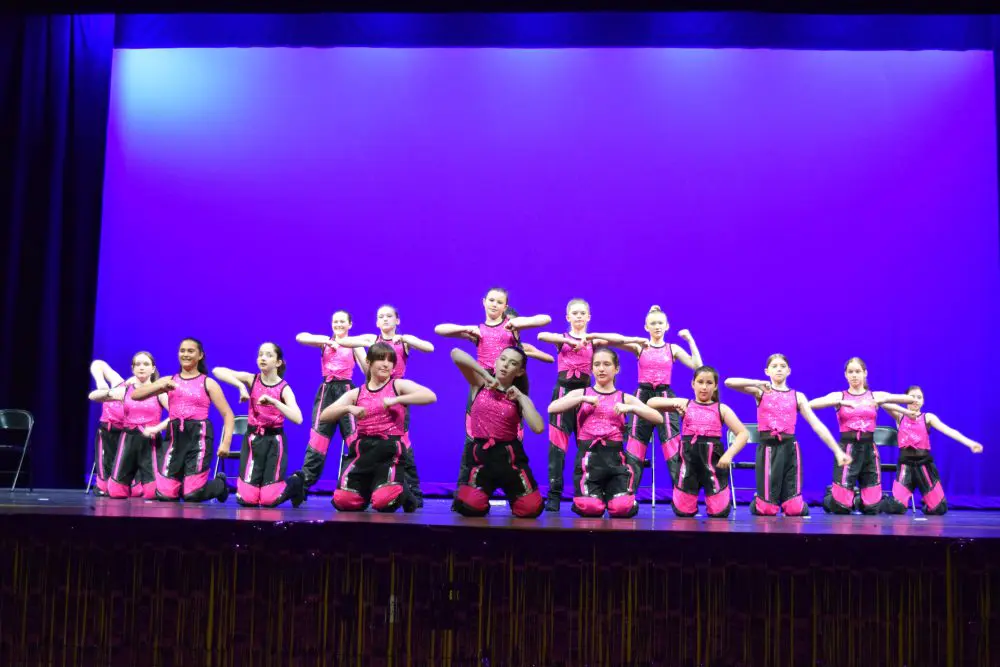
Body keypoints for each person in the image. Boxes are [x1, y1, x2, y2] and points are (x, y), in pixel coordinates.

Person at [536, 298, 641, 511]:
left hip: (588, 394)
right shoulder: (562, 339)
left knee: (587, 444)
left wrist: (594, 336)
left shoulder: (594, 341)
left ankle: (590, 490)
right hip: (565, 393)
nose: (579, 316)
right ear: (568, 317)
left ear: (589, 316)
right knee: (557, 447)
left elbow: (618, 340)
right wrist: (571, 342)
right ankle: (554, 495)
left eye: (583, 313)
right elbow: (541, 335)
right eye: (574, 313)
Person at [590, 305, 703, 497]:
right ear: (646, 327)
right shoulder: (640, 347)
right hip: (642, 396)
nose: (657, 326)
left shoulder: (672, 348)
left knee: (673, 446)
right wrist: (630, 339)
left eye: (660, 323)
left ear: (667, 326)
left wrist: (690, 340)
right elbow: (614, 340)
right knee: (635, 445)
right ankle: (627, 496)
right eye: (653, 323)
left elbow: (698, 367)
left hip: (665, 398)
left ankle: (682, 497)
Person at [724, 354, 852, 516]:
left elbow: (816, 425)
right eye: (774, 366)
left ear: (789, 371)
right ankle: (760, 499)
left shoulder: (797, 396)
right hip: (768, 450)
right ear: (767, 371)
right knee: (767, 510)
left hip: (790, 449)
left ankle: (793, 500)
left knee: (795, 510)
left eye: (782, 366)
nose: (779, 369)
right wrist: (757, 383)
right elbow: (728, 382)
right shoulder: (760, 392)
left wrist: (838, 451)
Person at [333, 305, 434, 507]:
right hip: (372, 395)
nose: (385, 319)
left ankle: (412, 492)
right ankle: (372, 485)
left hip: (395, 394)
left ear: (397, 320)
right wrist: (365, 341)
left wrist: (405, 339)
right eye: (381, 317)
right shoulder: (373, 340)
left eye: (389, 316)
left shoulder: (402, 342)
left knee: (402, 444)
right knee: (368, 441)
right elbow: (342, 340)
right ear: (377, 322)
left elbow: (429, 347)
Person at [547, 347, 664, 517]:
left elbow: (658, 418)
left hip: (615, 460)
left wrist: (631, 408)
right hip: (589, 460)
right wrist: (581, 399)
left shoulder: (625, 397)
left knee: (622, 509)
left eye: (607, 364)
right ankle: (595, 497)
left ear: (617, 369)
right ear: (591, 369)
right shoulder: (582, 393)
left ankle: (614, 497)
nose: (601, 368)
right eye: (597, 364)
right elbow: (552, 408)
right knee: (591, 508)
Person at [808, 357, 918, 514]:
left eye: (858, 371)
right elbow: (809, 405)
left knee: (872, 508)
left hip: (869, 450)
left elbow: (910, 399)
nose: (854, 375)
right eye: (850, 372)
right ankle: (832, 495)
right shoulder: (840, 396)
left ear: (865, 373)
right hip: (848, 449)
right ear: (845, 375)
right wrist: (840, 402)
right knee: (840, 508)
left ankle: (856, 497)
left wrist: (884, 399)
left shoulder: (875, 396)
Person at [131, 338, 233, 502]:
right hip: (175, 438)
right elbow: (135, 395)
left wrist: (226, 442)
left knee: (192, 495)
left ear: (200, 355)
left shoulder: (207, 383)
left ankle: (221, 484)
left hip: (198, 437)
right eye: (182, 351)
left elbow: (228, 414)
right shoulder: (169, 380)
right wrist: (160, 387)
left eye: (190, 351)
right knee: (165, 495)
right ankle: (183, 485)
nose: (185, 354)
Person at [450, 346, 545, 518]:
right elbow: (456, 353)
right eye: (503, 359)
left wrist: (522, 398)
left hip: (510, 458)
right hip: (482, 457)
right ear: (496, 361)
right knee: (469, 506)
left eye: (513, 363)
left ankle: (515, 496)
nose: (505, 365)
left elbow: (538, 428)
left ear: (519, 371)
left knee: (531, 508)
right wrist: (486, 375)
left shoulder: (520, 398)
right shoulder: (478, 384)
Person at [212, 342, 306, 507]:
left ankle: (296, 482)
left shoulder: (284, 388)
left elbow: (298, 418)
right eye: (261, 354)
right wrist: (240, 385)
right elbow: (217, 371)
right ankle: (257, 488)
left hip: (274, 441)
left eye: (269, 355)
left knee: (269, 500)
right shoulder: (252, 379)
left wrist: (274, 402)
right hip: (253, 441)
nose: (263, 358)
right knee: (246, 500)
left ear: (278, 362)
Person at [649, 366, 748, 518]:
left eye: (709, 383)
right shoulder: (686, 404)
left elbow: (742, 433)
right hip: (688, 464)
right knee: (683, 512)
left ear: (715, 386)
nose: (704, 387)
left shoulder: (722, 409)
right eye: (700, 382)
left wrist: (728, 455)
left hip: (713, 465)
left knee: (719, 513)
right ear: (692, 384)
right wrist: (676, 404)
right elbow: (651, 402)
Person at [880, 385, 983, 515]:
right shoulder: (900, 416)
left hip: (924, 465)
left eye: (919, 397)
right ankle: (881, 500)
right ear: (904, 399)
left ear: (923, 401)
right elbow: (882, 401)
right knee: (896, 507)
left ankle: (927, 500)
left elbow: (949, 430)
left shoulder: (927, 417)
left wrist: (969, 443)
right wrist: (904, 409)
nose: (916, 400)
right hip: (906, 465)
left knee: (939, 509)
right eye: (911, 397)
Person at [295, 311, 367, 490]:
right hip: (326, 391)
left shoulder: (354, 344)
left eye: (343, 321)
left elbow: (367, 370)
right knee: (318, 438)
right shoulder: (325, 341)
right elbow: (300, 337)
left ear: (350, 324)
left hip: (346, 391)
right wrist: (326, 341)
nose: (339, 324)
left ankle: (356, 483)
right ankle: (303, 485)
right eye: (335, 321)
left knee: (353, 437)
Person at [88, 352, 169, 499]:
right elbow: (92, 396)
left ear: (153, 369)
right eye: (137, 364)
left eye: (146, 364)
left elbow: (176, 415)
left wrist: (157, 428)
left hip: (149, 441)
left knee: (151, 493)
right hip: (127, 439)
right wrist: (107, 390)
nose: (141, 368)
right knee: (114, 492)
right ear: (132, 369)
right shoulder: (125, 389)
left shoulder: (159, 392)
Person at [434, 287, 550, 369]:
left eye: (499, 302)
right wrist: (466, 328)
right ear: (484, 302)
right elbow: (439, 329)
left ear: (505, 307)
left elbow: (546, 319)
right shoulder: (478, 331)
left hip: (508, 382)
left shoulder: (511, 325)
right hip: (483, 383)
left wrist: (518, 323)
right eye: (491, 300)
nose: (494, 304)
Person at [89, 359, 128, 496]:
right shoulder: (120, 383)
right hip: (108, 431)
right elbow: (98, 364)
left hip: (129, 435)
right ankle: (103, 484)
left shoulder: (145, 392)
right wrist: (101, 382)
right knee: (104, 486)